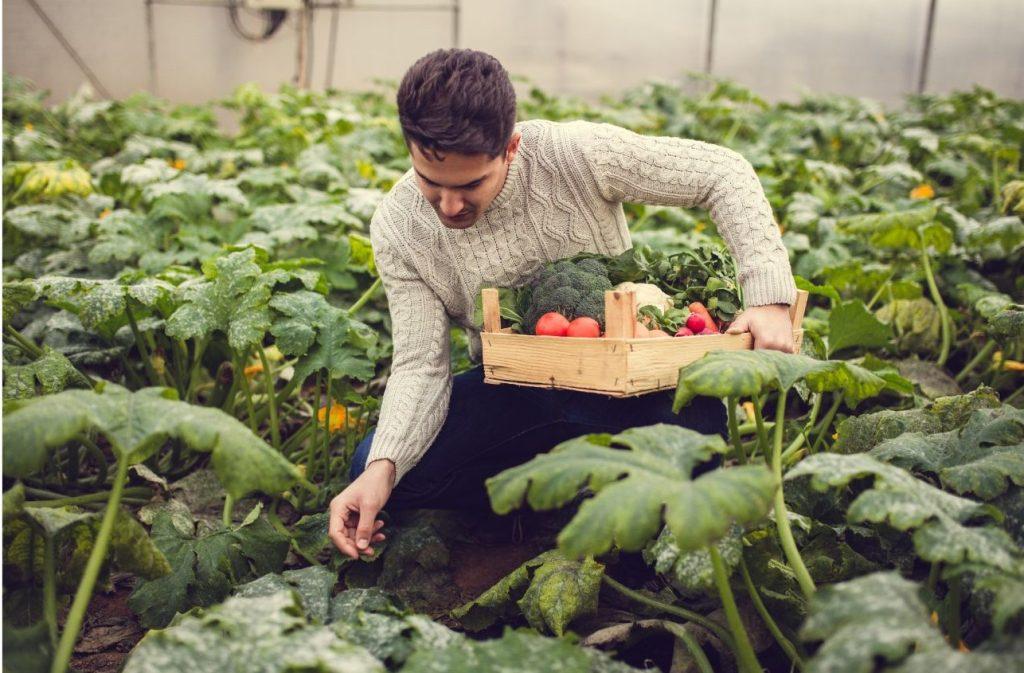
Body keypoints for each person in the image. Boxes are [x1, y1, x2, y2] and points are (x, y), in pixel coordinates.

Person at [328, 48, 798, 560]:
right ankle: (559, 494)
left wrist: (769, 298)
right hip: (512, 392)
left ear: (511, 147)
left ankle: (585, 499)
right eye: (430, 182)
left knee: (695, 432)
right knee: (375, 470)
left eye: (470, 184)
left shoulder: (575, 154)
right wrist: (383, 468)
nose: (449, 205)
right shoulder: (398, 226)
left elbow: (723, 171)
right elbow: (421, 364)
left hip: (626, 385)